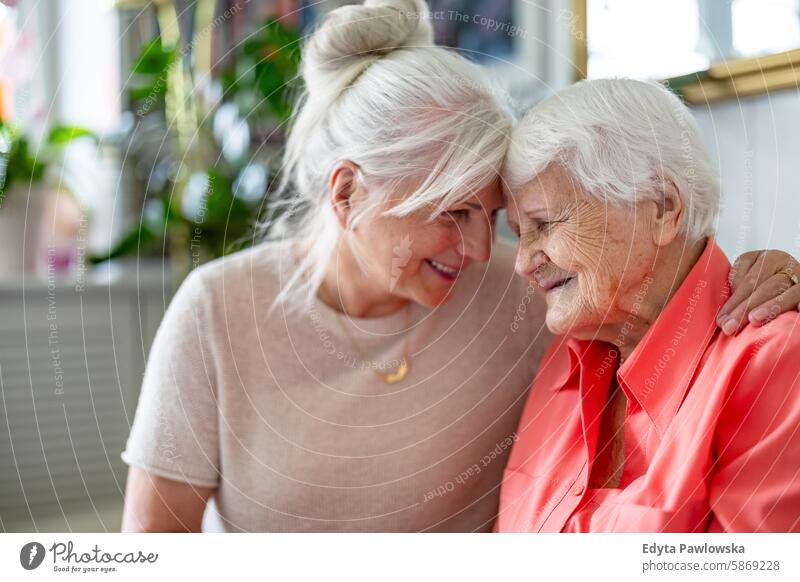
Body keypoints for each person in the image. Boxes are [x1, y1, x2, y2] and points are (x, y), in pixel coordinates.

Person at [121, 1, 800, 532]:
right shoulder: (216, 309)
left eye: (492, 216)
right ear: (348, 192)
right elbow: (154, 545)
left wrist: (772, 273)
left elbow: (663, 283)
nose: (482, 253)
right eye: (451, 213)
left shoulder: (528, 295)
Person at [497, 78, 800, 532]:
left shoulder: (771, 358)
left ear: (662, 208)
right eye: (519, 232)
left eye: (544, 224)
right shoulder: (567, 353)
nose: (523, 262)